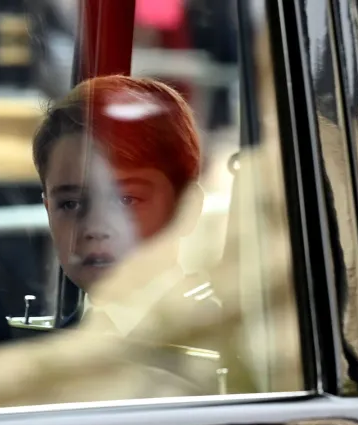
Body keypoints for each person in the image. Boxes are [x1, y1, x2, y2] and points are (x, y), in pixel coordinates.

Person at [31, 74, 244, 393]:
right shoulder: (46, 342)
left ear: (189, 207)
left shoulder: (223, 347)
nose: (95, 227)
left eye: (126, 200)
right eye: (71, 203)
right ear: (48, 209)